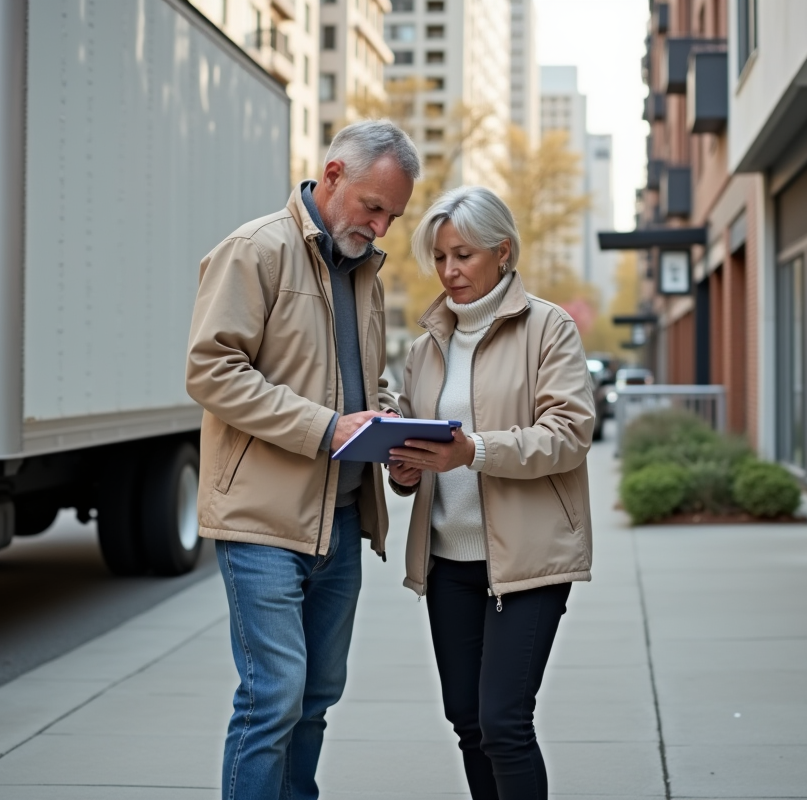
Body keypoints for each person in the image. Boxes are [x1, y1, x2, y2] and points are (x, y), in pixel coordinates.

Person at [185, 120, 420, 800]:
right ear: (334, 174)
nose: (379, 227)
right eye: (373, 207)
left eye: (393, 217)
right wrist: (327, 428)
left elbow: (362, 384)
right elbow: (211, 371)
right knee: (274, 697)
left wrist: (392, 429)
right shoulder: (255, 251)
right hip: (262, 521)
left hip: (341, 523)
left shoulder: (365, 275)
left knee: (316, 697)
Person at [387, 186, 595, 800]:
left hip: (525, 562)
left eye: (463, 255)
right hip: (448, 562)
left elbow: (568, 434)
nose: (449, 271)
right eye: (440, 257)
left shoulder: (548, 329)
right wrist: (405, 470)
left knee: (504, 724)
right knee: (470, 724)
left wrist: (471, 450)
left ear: (502, 252)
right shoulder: (427, 348)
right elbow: (418, 440)